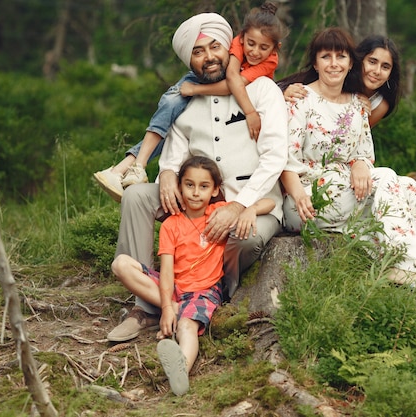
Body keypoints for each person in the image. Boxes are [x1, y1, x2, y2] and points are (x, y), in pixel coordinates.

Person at [107, 12, 288, 343]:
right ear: (189, 59)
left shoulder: (262, 90)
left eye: (215, 47)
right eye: (198, 51)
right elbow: (174, 152)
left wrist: (239, 205)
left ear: (229, 47)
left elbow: (276, 155)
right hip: (197, 198)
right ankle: (146, 306)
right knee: (136, 197)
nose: (209, 57)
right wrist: (165, 175)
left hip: (253, 202)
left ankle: (217, 299)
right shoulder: (185, 99)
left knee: (244, 237)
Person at [278, 27, 416, 296]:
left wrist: (359, 163)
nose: (334, 64)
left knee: (409, 187)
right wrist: (297, 194)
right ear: (315, 62)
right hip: (307, 198)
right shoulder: (300, 100)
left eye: (341, 57)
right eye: (326, 57)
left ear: (350, 64)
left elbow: (364, 156)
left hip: (343, 190)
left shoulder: (358, 105)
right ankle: (408, 272)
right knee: (387, 178)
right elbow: (284, 159)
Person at [111, 156, 275, 395]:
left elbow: (270, 202)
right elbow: (166, 271)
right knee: (121, 264)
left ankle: (181, 370)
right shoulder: (171, 225)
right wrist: (167, 307)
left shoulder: (220, 213)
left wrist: (249, 209)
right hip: (175, 288)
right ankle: (177, 310)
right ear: (179, 187)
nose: (196, 193)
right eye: (189, 185)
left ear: (215, 189)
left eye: (204, 186)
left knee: (186, 328)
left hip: (204, 291)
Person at [93, 2, 288, 203]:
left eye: (263, 47)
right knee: (171, 104)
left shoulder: (267, 65)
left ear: (275, 48)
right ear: (241, 38)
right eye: (197, 52)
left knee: (171, 111)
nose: (255, 51)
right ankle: (132, 167)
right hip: (208, 81)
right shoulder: (238, 43)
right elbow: (232, 77)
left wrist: (275, 94)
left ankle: (126, 167)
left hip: (251, 197)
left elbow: (233, 81)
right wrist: (168, 171)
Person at [281, 34, 401, 128]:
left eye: (385, 67)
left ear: (391, 73)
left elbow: (350, 140)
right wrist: (284, 94)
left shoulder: (379, 104)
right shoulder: (337, 76)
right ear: (359, 60)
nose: (377, 71)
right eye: (372, 62)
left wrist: (359, 111)